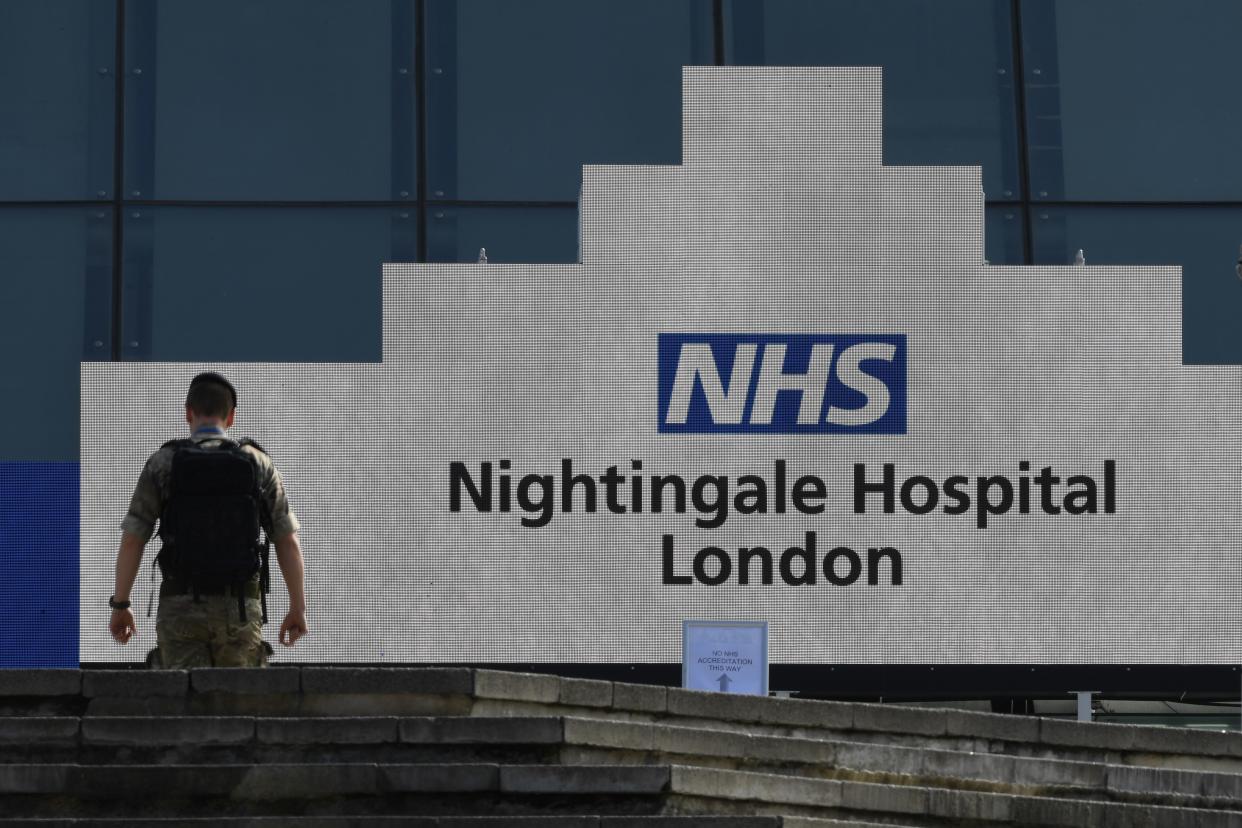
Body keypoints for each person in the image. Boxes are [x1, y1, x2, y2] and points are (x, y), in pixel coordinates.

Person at [108, 372, 307, 667]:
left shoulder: (164, 463)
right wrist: (297, 608)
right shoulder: (257, 462)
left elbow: (132, 540)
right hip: (239, 610)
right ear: (232, 417)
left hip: (180, 609)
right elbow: (287, 541)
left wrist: (121, 605)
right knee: (240, 706)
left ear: (188, 412)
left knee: (183, 705)